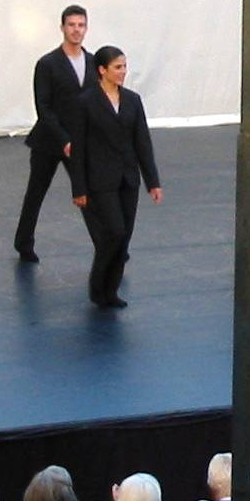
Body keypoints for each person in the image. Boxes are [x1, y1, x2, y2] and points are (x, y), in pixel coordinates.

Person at [69, 45, 165, 308]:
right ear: (102, 70)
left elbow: (142, 142)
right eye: (117, 67)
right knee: (114, 231)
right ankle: (97, 285)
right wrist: (79, 188)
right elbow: (78, 148)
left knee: (124, 236)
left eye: (124, 66)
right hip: (100, 180)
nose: (123, 71)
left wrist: (153, 181)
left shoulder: (133, 100)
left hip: (127, 179)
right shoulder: (86, 102)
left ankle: (110, 290)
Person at [15, 5, 95, 263]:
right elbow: (44, 108)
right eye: (71, 25)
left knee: (88, 194)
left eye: (81, 25)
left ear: (86, 28)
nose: (76, 30)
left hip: (79, 143)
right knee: (36, 193)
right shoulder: (47, 63)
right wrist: (64, 140)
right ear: (62, 28)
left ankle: (107, 246)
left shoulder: (94, 62)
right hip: (48, 142)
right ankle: (23, 243)